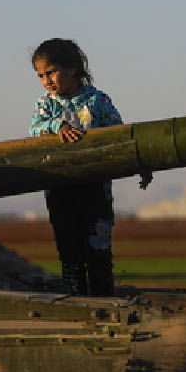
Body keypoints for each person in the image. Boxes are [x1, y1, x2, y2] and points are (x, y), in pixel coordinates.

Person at [28, 38, 122, 296]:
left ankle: (105, 303)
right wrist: (57, 125)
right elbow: (34, 130)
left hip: (95, 188)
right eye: (40, 75)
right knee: (69, 253)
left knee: (99, 251)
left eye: (51, 72)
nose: (46, 80)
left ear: (72, 68)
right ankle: (78, 304)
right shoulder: (46, 106)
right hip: (60, 187)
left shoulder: (97, 101)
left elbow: (120, 135)